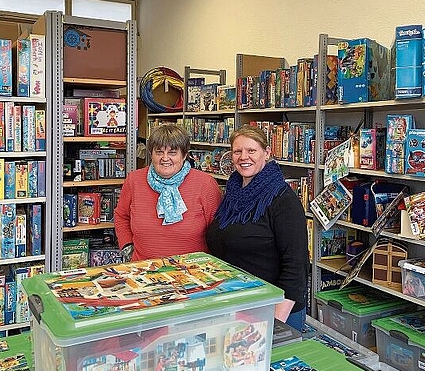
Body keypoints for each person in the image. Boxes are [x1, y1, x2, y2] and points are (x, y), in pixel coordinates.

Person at [206, 125, 309, 331]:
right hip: (239, 304)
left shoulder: (282, 200)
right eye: (238, 151)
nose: (244, 157)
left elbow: (297, 266)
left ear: (267, 153)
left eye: (251, 151)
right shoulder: (234, 192)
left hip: (274, 311)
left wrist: (276, 325)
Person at [115, 124, 223, 261]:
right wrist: (127, 246)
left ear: (184, 155)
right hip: (143, 269)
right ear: (151, 154)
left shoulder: (205, 184)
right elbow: (121, 216)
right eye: (159, 152)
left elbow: (218, 230)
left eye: (172, 152)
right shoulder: (134, 180)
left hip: (194, 271)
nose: (165, 158)